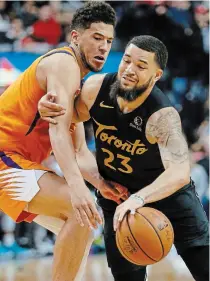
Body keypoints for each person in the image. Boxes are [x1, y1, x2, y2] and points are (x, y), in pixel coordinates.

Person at [39, 35, 209, 281]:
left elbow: (180, 172)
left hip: (168, 197)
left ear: (157, 75)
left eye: (141, 66)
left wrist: (139, 199)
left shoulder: (162, 116)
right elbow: (69, 132)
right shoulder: (95, 90)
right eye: (127, 60)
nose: (129, 70)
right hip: (118, 198)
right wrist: (49, 107)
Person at [0, 2, 128, 281]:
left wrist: (102, 184)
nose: (104, 47)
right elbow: (59, 135)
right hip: (3, 159)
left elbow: (79, 150)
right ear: (75, 37)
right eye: (96, 37)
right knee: (78, 208)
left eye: (108, 40)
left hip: (15, 162)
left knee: (83, 224)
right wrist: (78, 188)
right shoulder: (64, 63)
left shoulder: (75, 84)